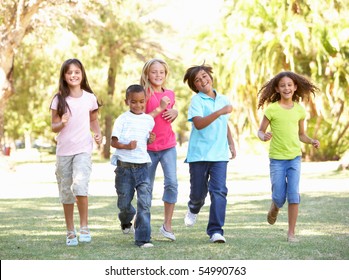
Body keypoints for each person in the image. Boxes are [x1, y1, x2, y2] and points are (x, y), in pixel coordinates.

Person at [257, 71, 320, 243]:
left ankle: (291, 233)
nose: (286, 88)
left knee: (293, 195)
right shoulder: (272, 109)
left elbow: (301, 135)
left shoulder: (299, 110)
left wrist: (311, 140)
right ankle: (274, 207)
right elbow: (260, 130)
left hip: (294, 158)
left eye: (289, 85)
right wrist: (263, 136)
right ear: (277, 88)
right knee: (279, 196)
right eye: (283, 85)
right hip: (277, 159)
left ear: (295, 87)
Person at [50, 58, 102, 246]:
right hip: (64, 151)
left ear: (82, 74)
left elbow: (94, 121)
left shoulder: (89, 97)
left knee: (80, 186)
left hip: (83, 149)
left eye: (77, 72)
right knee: (66, 192)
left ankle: (84, 227)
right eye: (69, 72)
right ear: (64, 76)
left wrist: (98, 134)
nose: (73, 75)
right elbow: (53, 127)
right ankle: (70, 230)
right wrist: (61, 123)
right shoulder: (58, 99)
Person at [183, 63, 236, 243]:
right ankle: (193, 207)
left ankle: (216, 231)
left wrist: (231, 143)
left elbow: (224, 123)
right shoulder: (197, 101)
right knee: (198, 194)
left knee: (219, 191)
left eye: (204, 76)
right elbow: (199, 123)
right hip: (199, 155)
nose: (202, 81)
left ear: (210, 77)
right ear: (195, 86)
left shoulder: (223, 98)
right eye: (197, 80)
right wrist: (220, 111)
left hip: (219, 155)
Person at [110, 84, 156, 248]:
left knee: (144, 203)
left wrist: (150, 140)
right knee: (124, 203)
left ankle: (143, 239)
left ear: (145, 101)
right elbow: (113, 142)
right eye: (134, 102)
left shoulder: (149, 120)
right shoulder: (122, 119)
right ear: (127, 101)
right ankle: (126, 219)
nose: (138, 105)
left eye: (141, 102)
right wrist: (126, 146)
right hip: (124, 169)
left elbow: (146, 141)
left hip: (143, 167)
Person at [140, 58, 178, 241]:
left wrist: (175, 112)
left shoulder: (170, 93)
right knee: (146, 187)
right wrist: (160, 107)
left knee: (172, 183)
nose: (158, 75)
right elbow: (139, 119)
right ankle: (142, 224)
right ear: (147, 73)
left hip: (168, 145)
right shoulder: (143, 94)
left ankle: (167, 225)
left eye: (161, 72)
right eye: (154, 72)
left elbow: (169, 113)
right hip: (148, 148)